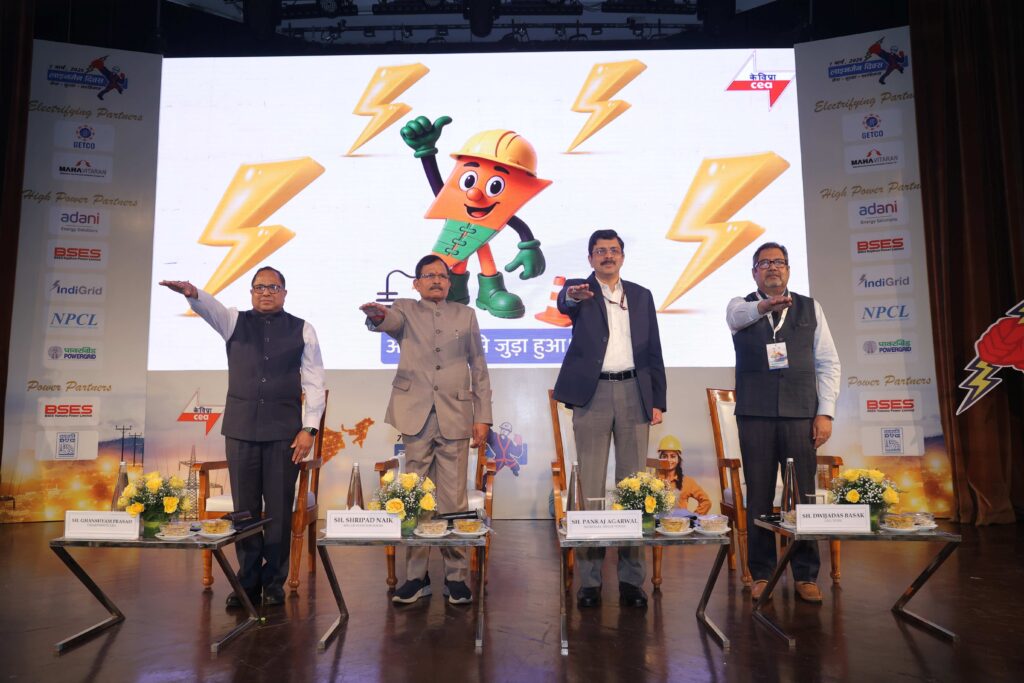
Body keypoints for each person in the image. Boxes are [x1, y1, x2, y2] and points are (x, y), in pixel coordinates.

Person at [159, 267, 325, 608]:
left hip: (284, 435)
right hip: (241, 431)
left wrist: (309, 428)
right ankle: (247, 581)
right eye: (259, 287)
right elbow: (211, 309)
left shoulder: (303, 329)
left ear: (284, 293)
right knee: (245, 511)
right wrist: (193, 293)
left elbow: (314, 382)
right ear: (251, 292)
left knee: (279, 509)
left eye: (273, 287)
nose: (266, 292)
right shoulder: (234, 321)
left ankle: (274, 582)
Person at [360, 255, 492, 605]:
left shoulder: (466, 314)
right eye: (428, 275)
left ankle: (456, 577)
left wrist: (483, 416)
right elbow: (387, 321)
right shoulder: (405, 309)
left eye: (442, 276)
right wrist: (377, 315)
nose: (436, 280)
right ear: (416, 283)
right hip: (414, 413)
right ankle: (416, 578)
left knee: (453, 497)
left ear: (450, 283)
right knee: (415, 496)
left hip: (456, 413)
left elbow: (479, 366)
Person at [553, 229, 667, 609]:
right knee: (591, 488)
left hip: (635, 391)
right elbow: (565, 303)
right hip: (594, 394)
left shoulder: (641, 295)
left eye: (613, 250)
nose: (607, 256)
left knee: (634, 488)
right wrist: (572, 296)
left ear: (622, 256)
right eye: (600, 251)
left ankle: (632, 581)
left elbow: (654, 350)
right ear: (590, 259)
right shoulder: (580, 291)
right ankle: (589, 581)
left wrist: (657, 399)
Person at [726, 242, 840, 604]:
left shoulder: (811, 307)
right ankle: (762, 573)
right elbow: (738, 318)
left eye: (779, 262)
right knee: (759, 494)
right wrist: (765, 306)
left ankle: (805, 574)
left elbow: (828, 362)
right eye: (764, 263)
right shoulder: (740, 306)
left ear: (788, 269)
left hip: (800, 413)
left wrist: (825, 412)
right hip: (755, 414)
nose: (772, 267)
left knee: (803, 494)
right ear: (754, 272)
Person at [655, 435, 711, 516]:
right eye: (665, 456)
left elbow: (706, 502)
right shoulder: (654, 480)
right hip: (659, 523)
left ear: (678, 459)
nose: (669, 460)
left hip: (680, 523)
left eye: (673, 456)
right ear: (660, 458)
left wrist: (693, 518)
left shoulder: (687, 482)